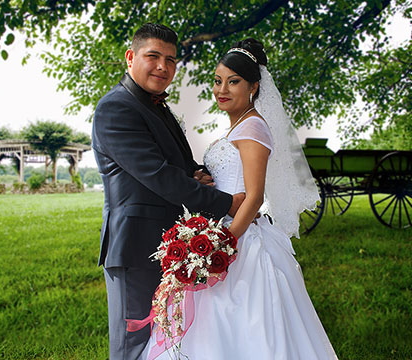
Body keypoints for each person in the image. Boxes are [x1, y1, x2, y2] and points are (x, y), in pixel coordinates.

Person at [143, 39, 338, 359]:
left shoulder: (252, 128)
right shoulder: (237, 128)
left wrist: (222, 244)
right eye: (218, 81)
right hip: (219, 227)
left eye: (233, 81)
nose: (222, 89)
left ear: (254, 86)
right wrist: (203, 180)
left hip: (240, 237)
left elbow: (255, 197)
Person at [91, 23, 245, 360]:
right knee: (134, 342)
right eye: (153, 56)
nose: (164, 66)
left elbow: (179, 163)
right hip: (134, 247)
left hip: (168, 244)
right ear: (131, 57)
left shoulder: (155, 106)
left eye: (171, 60)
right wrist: (226, 203)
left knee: (164, 340)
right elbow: (158, 175)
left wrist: (196, 173)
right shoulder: (115, 109)